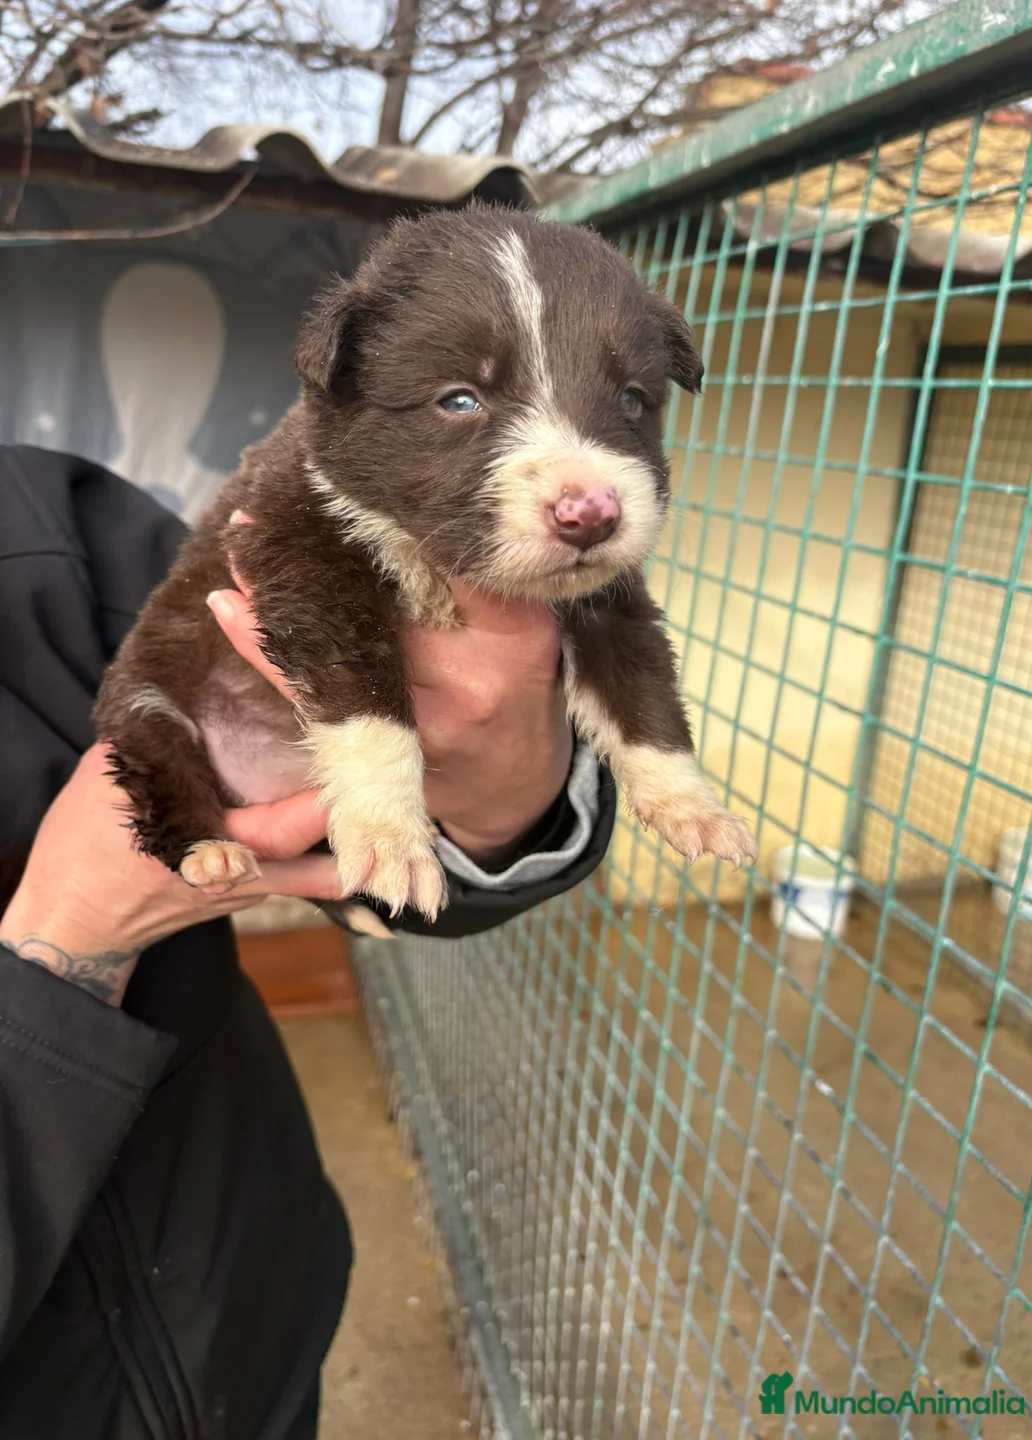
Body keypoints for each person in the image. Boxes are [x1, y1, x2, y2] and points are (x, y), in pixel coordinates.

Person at [0, 445, 616, 1439]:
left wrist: (500, 801)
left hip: (250, 1297)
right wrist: (70, 938)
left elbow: (398, 814)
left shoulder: (36, 522)